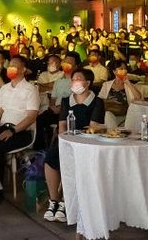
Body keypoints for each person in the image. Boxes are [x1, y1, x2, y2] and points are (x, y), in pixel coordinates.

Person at [42, 68, 105, 224]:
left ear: (87, 83)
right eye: (73, 79)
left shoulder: (97, 102)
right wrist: (65, 141)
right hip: (66, 140)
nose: (74, 81)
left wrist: (76, 140)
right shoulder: (66, 100)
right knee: (50, 160)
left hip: (87, 142)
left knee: (73, 162)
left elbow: (93, 127)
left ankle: (66, 200)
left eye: (78, 78)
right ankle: (54, 201)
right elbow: (62, 125)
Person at [0, 56, 40, 205]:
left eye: (15, 65)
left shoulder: (30, 90)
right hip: (3, 126)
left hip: (21, 131)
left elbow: (31, 117)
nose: (10, 68)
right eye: (10, 65)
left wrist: (13, 131)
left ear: (23, 70)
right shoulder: (4, 88)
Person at [98, 60, 136, 129]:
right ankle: (113, 133)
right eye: (121, 69)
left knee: (108, 116)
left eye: (125, 69)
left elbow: (138, 97)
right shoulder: (107, 85)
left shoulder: (128, 85)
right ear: (114, 71)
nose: (124, 71)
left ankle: (112, 133)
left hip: (124, 114)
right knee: (108, 115)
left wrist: (128, 83)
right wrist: (109, 101)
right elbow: (99, 100)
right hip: (110, 111)